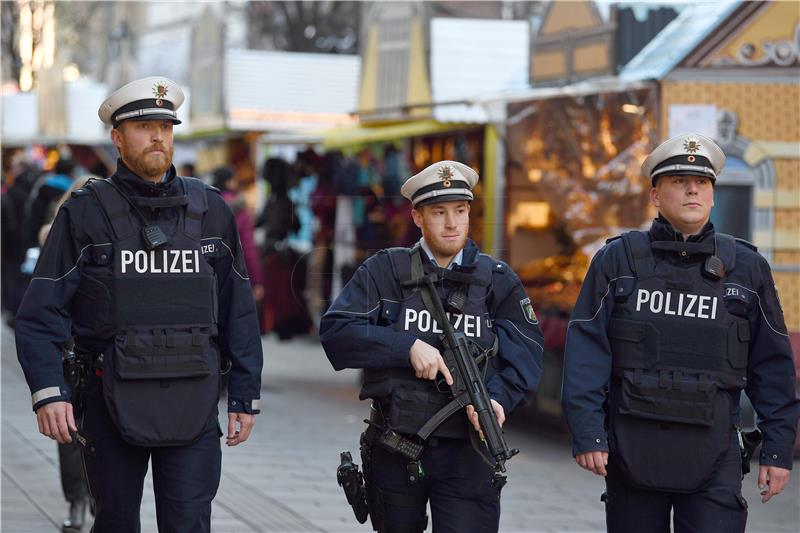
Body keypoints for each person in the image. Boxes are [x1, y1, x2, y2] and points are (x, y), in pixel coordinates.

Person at [14, 76, 264, 533]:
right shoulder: (85, 211)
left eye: (165, 128)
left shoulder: (210, 210)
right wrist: (48, 392)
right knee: (115, 523)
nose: (157, 137)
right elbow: (40, 312)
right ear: (117, 138)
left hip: (193, 400)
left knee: (189, 523)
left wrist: (245, 394)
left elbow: (238, 308)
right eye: (144, 126)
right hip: (110, 402)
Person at [561, 133, 799, 533]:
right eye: (679, 181)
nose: (693, 189)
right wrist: (587, 433)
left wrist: (778, 449)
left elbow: (771, 364)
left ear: (712, 195)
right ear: (655, 195)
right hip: (633, 449)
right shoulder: (616, 260)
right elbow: (586, 352)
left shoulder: (747, 267)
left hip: (715, 452)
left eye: (702, 182)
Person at [320, 160, 544, 533]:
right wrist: (405, 347)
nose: (452, 223)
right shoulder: (385, 271)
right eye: (439, 212)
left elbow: (527, 352)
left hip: (470, 450)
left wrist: (499, 398)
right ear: (417, 216)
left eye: (460, 211)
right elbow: (337, 332)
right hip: (397, 444)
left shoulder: (496, 281)